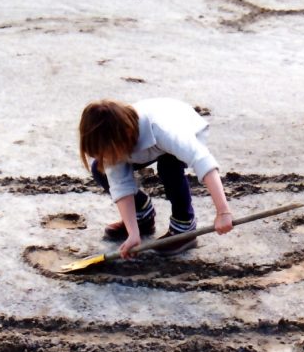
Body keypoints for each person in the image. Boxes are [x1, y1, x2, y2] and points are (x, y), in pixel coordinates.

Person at [78, 98, 234, 258]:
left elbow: (203, 161)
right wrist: (133, 233)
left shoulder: (163, 130)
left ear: (126, 134)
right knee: (101, 169)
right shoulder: (112, 138)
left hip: (184, 124)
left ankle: (184, 226)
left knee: (169, 166)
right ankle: (142, 216)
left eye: (108, 153)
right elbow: (120, 184)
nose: (107, 158)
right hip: (140, 145)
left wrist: (223, 212)